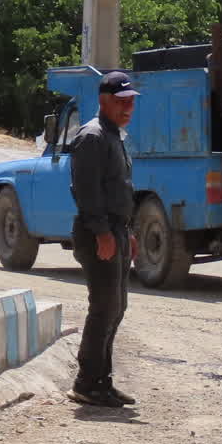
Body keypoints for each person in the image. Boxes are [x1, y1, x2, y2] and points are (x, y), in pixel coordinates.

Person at [67, 70, 140, 408]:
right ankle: (86, 382)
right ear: (104, 101)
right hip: (100, 232)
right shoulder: (92, 137)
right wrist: (102, 233)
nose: (128, 108)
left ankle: (102, 381)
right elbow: (87, 190)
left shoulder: (114, 136)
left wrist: (129, 231)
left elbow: (119, 189)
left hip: (118, 231)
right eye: (122, 102)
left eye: (131, 102)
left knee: (117, 306)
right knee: (104, 307)